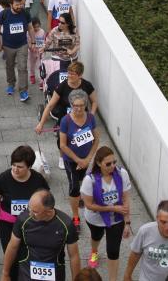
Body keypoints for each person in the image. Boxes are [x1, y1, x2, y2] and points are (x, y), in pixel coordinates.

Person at [0, 145, 50, 281]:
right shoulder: (3, 178)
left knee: (29, 253)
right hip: (8, 225)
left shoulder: (38, 180)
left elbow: (47, 202)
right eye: (13, 165)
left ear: (29, 167)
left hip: (31, 224)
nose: (15, 169)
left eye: (20, 167)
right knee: (11, 254)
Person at [1, 190, 81, 281]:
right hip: (27, 275)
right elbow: (12, 246)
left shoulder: (66, 224)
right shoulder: (23, 219)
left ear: (49, 212)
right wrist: (5, 274)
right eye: (29, 208)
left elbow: (74, 256)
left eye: (35, 212)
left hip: (55, 275)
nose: (30, 214)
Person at [81, 146, 132, 280]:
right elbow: (89, 205)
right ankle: (94, 252)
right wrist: (112, 208)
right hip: (95, 218)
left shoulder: (122, 174)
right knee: (96, 236)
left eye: (114, 162)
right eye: (108, 164)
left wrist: (127, 223)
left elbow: (126, 199)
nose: (112, 166)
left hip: (117, 219)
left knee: (113, 251)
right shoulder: (90, 180)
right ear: (99, 163)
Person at [60, 90, 100, 231]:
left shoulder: (90, 118)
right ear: (71, 105)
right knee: (74, 187)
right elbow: (63, 145)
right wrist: (78, 160)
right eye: (75, 105)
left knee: (83, 180)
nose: (78, 108)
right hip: (71, 160)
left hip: (86, 159)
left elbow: (96, 139)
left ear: (85, 105)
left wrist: (88, 159)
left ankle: (81, 199)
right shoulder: (66, 121)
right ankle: (76, 216)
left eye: (81, 105)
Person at [36, 61, 98, 134]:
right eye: (68, 73)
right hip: (64, 114)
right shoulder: (62, 86)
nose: (69, 76)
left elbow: (94, 101)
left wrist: (91, 115)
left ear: (80, 75)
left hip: (81, 114)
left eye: (72, 74)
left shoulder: (87, 85)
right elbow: (50, 105)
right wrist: (41, 124)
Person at [0, 0, 33, 102]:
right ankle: (11, 84)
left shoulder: (25, 13)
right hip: (8, 46)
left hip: (22, 45)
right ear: (11, 4)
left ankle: (23, 91)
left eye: (21, 4)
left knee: (22, 67)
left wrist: (33, 41)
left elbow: (30, 27)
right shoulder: (4, 14)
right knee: (9, 66)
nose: (19, 6)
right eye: (17, 5)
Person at [27, 18, 46, 89]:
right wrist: (30, 47)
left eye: (38, 26)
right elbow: (28, 42)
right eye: (34, 27)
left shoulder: (42, 31)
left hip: (40, 51)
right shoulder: (28, 32)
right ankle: (32, 75)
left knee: (40, 65)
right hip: (31, 52)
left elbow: (44, 41)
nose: (36, 28)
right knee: (31, 65)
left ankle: (41, 80)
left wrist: (43, 48)